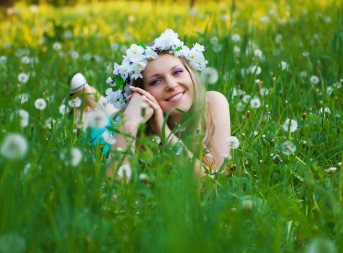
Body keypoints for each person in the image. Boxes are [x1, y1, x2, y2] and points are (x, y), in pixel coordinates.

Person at [71, 29, 231, 177]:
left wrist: (163, 131)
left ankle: (92, 95)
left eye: (177, 72)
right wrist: (126, 126)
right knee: (89, 122)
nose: (171, 84)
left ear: (190, 73)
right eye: (156, 81)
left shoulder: (213, 103)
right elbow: (115, 194)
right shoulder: (129, 128)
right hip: (108, 133)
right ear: (140, 93)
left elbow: (215, 179)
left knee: (107, 107)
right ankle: (84, 98)